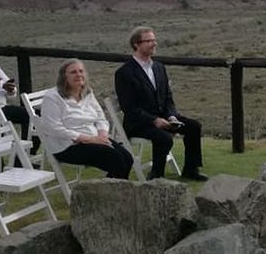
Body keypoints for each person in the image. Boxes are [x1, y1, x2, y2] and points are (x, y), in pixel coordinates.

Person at [114, 26, 207, 181]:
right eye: (149, 41)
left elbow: (168, 97)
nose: (154, 44)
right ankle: (157, 176)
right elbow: (129, 108)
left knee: (194, 126)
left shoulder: (159, 67)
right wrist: (154, 120)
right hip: (139, 123)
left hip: (163, 117)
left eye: (154, 40)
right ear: (136, 44)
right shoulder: (125, 73)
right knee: (164, 138)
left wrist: (171, 116)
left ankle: (191, 170)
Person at [40, 59, 132, 179]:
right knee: (116, 159)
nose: (78, 75)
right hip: (67, 146)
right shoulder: (52, 98)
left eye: (81, 71)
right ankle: (116, 194)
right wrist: (89, 139)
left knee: (128, 158)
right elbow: (54, 128)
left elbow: (100, 117)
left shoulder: (87, 92)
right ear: (64, 77)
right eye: (73, 72)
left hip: (94, 137)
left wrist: (103, 134)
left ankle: (111, 191)